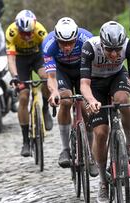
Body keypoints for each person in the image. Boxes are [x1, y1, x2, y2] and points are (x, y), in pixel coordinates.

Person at [80, 21, 130, 203]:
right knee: (101, 133)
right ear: (102, 43)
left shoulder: (129, 47)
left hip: (117, 77)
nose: (114, 54)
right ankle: (103, 181)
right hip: (94, 84)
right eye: (109, 49)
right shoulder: (89, 48)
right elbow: (84, 84)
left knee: (123, 101)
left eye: (117, 49)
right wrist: (92, 101)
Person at [42, 17, 98, 176]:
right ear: (56, 39)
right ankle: (66, 149)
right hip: (61, 72)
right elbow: (51, 77)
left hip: (83, 69)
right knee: (66, 100)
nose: (66, 47)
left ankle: (91, 154)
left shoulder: (88, 39)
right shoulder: (48, 44)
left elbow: (97, 65)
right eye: (62, 43)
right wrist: (54, 92)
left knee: (87, 109)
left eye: (71, 43)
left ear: (76, 38)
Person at [5, 10, 53, 157]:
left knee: (47, 77)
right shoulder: (11, 32)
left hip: (37, 56)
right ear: (18, 29)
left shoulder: (40, 31)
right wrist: (15, 76)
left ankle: (45, 109)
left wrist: (51, 74)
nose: (26, 37)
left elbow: (48, 54)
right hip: (20, 60)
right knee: (24, 97)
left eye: (29, 33)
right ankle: (26, 141)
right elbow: (11, 60)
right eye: (23, 34)